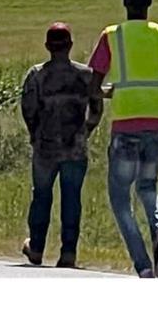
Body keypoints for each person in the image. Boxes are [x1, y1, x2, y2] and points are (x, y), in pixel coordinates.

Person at [88, 0, 158, 278]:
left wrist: (114, 92)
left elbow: (93, 85)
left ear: (125, 3)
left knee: (120, 197)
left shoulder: (113, 36)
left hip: (126, 121)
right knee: (148, 186)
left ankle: (144, 266)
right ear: (149, 4)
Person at [20, 22, 102, 268]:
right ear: (70, 46)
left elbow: (28, 109)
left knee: (42, 197)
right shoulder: (86, 75)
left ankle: (36, 247)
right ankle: (68, 252)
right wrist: (85, 131)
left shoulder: (36, 75)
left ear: (47, 46)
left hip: (45, 148)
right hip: (75, 148)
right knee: (72, 199)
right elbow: (97, 109)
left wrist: (35, 133)